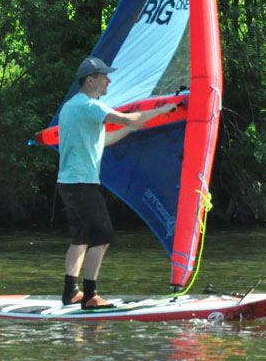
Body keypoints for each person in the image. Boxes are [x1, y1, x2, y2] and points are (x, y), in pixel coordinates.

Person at [57, 56, 178, 308]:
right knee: (102, 238)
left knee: (81, 237)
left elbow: (103, 141)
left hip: (68, 184)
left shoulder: (71, 107)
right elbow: (127, 118)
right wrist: (162, 110)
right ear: (90, 80)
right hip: (83, 184)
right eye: (104, 77)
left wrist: (131, 129)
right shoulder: (91, 107)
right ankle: (90, 296)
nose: (108, 81)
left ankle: (70, 292)